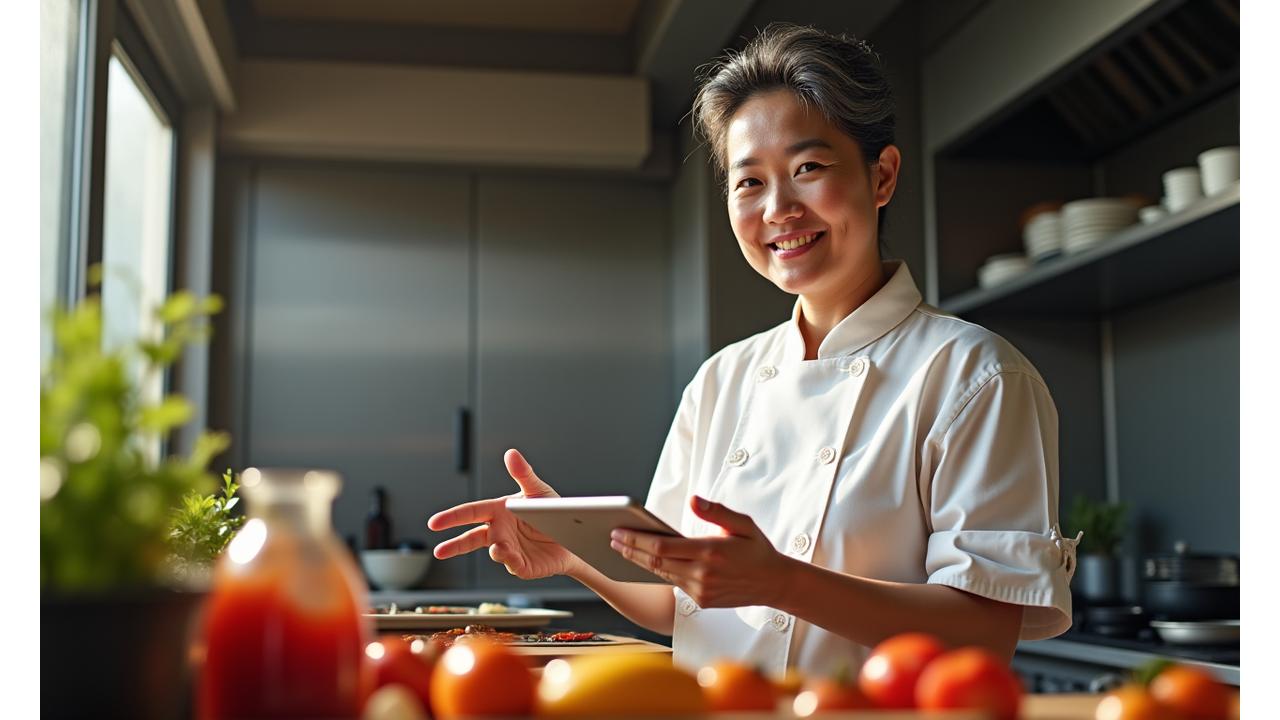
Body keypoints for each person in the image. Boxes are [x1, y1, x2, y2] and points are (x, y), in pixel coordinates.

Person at [428, 23, 1077, 678]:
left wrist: (782, 583)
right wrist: (570, 554)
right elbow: (682, 598)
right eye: (749, 183)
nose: (779, 209)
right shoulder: (721, 381)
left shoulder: (974, 374)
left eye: (808, 169)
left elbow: (986, 633)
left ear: (881, 176)